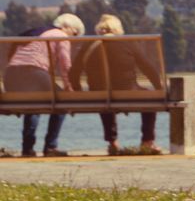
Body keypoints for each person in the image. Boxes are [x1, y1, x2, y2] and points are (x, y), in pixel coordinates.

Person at [69, 14, 163, 155]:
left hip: (98, 93)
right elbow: (147, 67)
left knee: (104, 97)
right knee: (148, 98)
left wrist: (78, 91)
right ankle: (147, 142)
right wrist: (159, 88)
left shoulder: (88, 44)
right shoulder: (128, 42)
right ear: (118, 29)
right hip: (128, 91)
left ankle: (112, 142)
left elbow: (73, 73)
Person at [3, 13, 84, 157]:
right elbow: (65, 64)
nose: (74, 38)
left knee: (32, 104)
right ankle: (50, 146)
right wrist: (67, 86)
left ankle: (27, 148)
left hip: (11, 74)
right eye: (75, 33)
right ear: (67, 27)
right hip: (34, 71)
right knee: (62, 102)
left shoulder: (38, 31)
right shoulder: (60, 35)